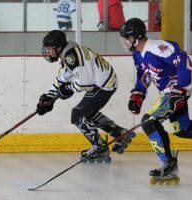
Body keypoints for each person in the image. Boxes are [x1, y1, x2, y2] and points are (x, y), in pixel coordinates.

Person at [119, 18, 192, 184]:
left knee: (149, 122)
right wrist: (138, 94)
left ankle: (168, 165)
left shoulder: (157, 48)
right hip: (169, 93)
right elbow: (144, 76)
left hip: (174, 91)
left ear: (136, 36)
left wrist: (179, 90)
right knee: (184, 129)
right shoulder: (138, 55)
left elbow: (183, 58)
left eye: (127, 37)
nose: (125, 41)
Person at [36, 30, 136, 163]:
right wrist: (50, 97)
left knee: (77, 114)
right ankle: (119, 133)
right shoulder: (69, 53)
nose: (48, 52)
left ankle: (99, 147)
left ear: (59, 47)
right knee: (88, 113)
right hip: (103, 83)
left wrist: (67, 89)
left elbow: (84, 83)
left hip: (102, 85)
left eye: (50, 49)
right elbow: (62, 78)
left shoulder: (72, 55)